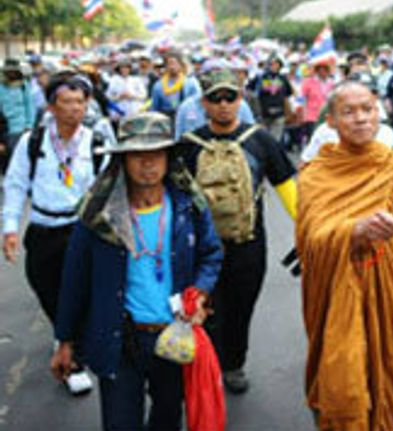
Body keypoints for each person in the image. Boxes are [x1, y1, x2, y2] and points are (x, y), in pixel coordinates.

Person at [51, 112, 223, 430]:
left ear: (169, 157)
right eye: (137, 155)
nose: (147, 163)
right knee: (120, 423)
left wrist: (199, 292)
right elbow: (74, 279)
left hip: (174, 337)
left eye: (156, 154)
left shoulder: (188, 205)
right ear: (123, 160)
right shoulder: (99, 215)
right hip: (120, 340)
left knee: (167, 419)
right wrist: (64, 340)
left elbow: (211, 254)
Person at [297, 79, 393, 431]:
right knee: (345, 386)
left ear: (379, 114)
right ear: (331, 121)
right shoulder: (317, 175)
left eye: (367, 109)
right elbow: (311, 240)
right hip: (339, 299)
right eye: (348, 111)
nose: (360, 119)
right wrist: (354, 231)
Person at [176, 68, 297, 394]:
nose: (224, 104)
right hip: (203, 250)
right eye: (216, 98)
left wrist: (307, 230)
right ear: (204, 103)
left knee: (242, 309)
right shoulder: (188, 146)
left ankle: (234, 364)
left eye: (230, 96)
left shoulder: (261, 140)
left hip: (249, 245)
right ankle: (210, 366)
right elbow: (173, 199)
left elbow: (287, 187)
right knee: (209, 310)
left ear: (240, 99)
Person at [3, 73, 111, 396]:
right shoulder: (32, 142)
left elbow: (108, 188)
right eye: (67, 102)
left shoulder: (95, 141)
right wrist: (9, 228)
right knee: (45, 286)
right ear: (51, 106)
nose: (74, 109)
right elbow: (16, 184)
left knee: (79, 291)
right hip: (42, 229)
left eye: (80, 102)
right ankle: (63, 330)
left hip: (80, 229)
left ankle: (74, 358)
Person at [175, 59, 255, 141]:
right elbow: (179, 141)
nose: (223, 104)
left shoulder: (241, 105)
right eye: (210, 75)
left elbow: (252, 136)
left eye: (221, 74)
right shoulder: (187, 107)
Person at [0, 58, 36, 172]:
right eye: (8, 71)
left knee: (20, 160)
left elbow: (30, 106)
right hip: (4, 129)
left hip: (21, 129)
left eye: (13, 71)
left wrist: (29, 125)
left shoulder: (24, 85)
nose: (11, 73)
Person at [248, 55, 293, 142]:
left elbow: (288, 95)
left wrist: (289, 111)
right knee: (264, 140)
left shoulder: (283, 79)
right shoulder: (260, 77)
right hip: (263, 115)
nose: (274, 66)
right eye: (272, 64)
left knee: (275, 140)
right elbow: (249, 89)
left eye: (277, 64)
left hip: (279, 114)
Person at [150, 51, 200, 119]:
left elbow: (198, 103)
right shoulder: (158, 86)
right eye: (169, 64)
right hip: (167, 119)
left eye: (174, 63)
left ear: (181, 64)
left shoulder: (191, 82)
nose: (172, 67)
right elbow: (155, 108)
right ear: (165, 66)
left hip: (188, 117)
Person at [301, 61, 335, 142]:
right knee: (313, 138)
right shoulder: (308, 82)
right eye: (320, 69)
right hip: (312, 116)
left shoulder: (331, 83)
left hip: (327, 115)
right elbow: (302, 98)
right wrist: (302, 114)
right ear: (317, 71)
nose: (322, 72)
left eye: (324, 69)